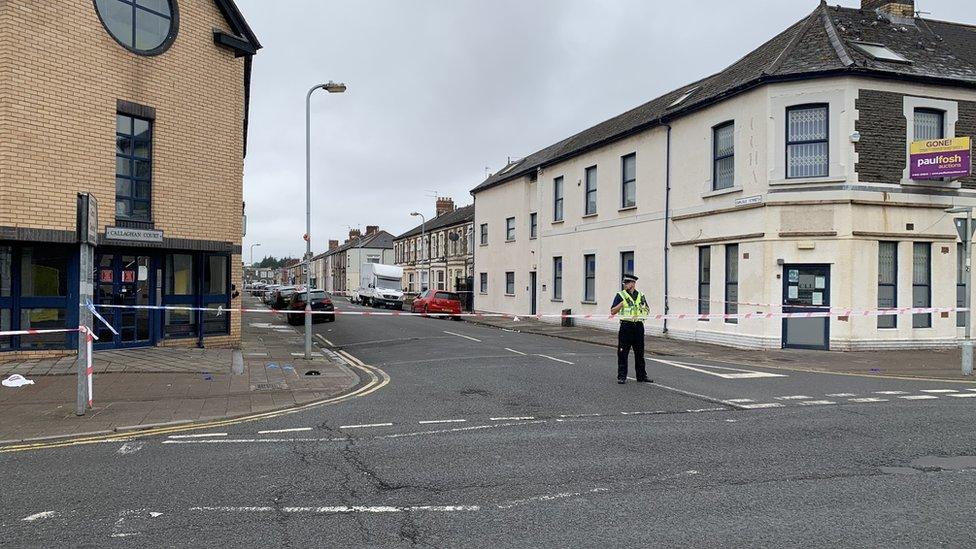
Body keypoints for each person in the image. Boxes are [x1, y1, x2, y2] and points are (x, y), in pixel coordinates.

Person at [610, 274, 652, 384]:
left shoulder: (641, 295)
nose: (625, 285)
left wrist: (644, 312)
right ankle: (622, 376)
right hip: (626, 326)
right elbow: (613, 311)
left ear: (633, 284)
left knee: (640, 353)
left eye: (627, 283)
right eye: (624, 283)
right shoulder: (620, 295)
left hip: (638, 326)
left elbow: (647, 309)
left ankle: (641, 376)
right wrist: (622, 304)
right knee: (623, 352)